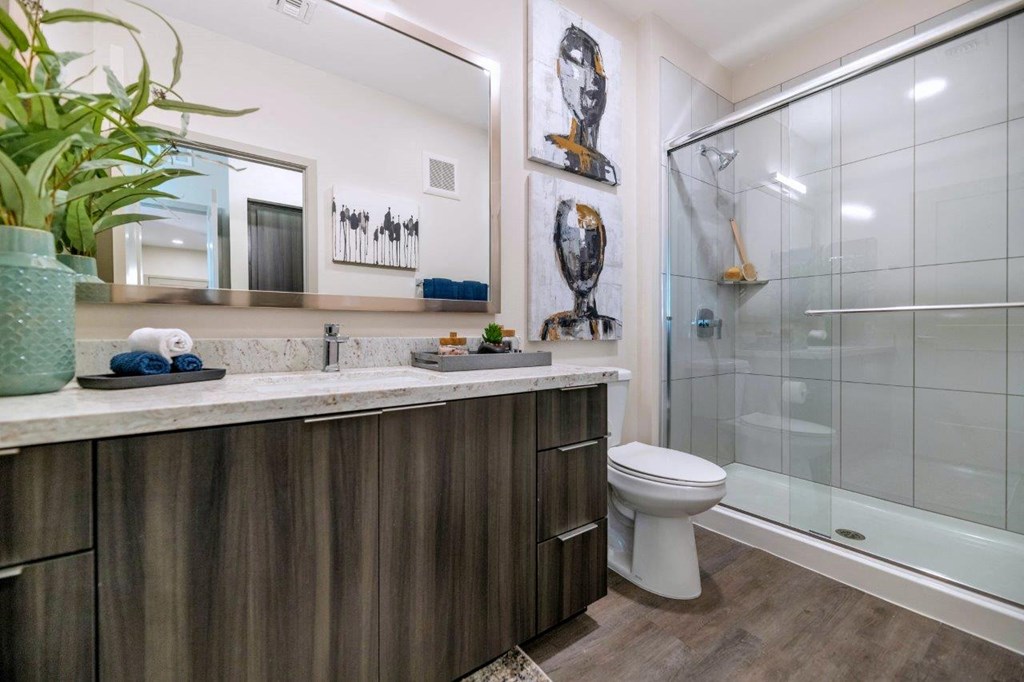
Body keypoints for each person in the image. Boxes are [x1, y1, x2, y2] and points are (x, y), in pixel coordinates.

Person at [544, 24, 620, 185]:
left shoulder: (610, 169)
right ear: (559, 69)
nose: (592, 80)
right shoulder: (548, 148)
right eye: (578, 64)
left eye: (599, 72)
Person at [540, 198, 622, 340]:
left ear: (602, 250)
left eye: (591, 242)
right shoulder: (553, 328)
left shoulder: (614, 328)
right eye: (569, 241)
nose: (582, 255)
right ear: (559, 251)